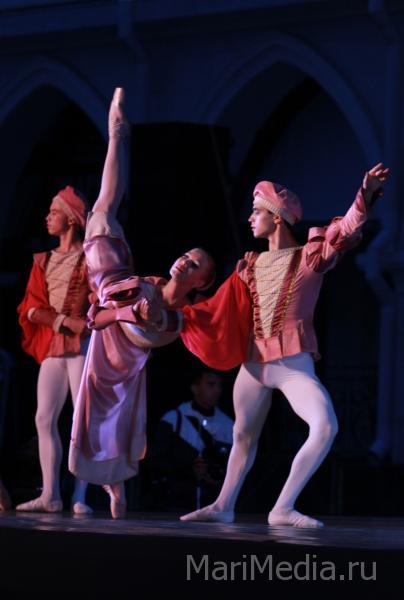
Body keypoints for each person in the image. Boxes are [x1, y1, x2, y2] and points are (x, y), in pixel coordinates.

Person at [145, 162, 389, 527]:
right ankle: (223, 505)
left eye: (256, 211)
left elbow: (345, 230)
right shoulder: (250, 266)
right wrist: (173, 316)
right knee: (243, 436)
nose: (250, 218)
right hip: (254, 364)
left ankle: (282, 507)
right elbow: (220, 308)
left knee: (325, 426)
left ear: (276, 217)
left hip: (292, 365)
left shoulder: (309, 256)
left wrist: (365, 194)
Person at [68, 88, 216, 519]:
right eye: (186, 254)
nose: (184, 260)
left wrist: (110, 312)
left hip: (116, 347)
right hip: (112, 281)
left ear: (200, 284)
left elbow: (121, 319)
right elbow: (114, 313)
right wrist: (109, 309)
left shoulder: (172, 318)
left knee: (109, 420)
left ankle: (113, 488)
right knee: (101, 210)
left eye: (194, 264)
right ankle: (117, 135)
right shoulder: (155, 283)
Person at [16, 186, 93, 514]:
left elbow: (100, 298)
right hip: (55, 344)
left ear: (71, 219)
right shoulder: (43, 260)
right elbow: (31, 307)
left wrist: (85, 320)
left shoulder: (90, 258)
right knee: (43, 417)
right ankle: (50, 493)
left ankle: (80, 494)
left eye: (54, 212)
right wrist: (62, 320)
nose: (47, 217)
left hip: (81, 345)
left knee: (82, 419)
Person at [146, 368, 233, 511]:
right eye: (211, 384)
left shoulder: (228, 425)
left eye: (219, 386)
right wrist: (188, 470)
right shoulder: (174, 419)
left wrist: (212, 472)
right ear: (195, 388)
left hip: (213, 505)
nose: (217, 390)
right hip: (174, 504)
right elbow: (156, 460)